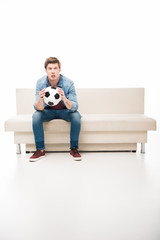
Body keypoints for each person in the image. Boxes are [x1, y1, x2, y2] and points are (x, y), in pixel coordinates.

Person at [30, 57, 82, 161]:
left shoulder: (69, 83)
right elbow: (38, 108)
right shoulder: (40, 83)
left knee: (76, 116)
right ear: (46, 70)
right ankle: (40, 150)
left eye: (55, 68)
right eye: (50, 68)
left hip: (65, 111)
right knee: (35, 116)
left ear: (59, 70)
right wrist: (41, 99)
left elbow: (75, 106)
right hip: (48, 112)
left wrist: (64, 98)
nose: (53, 71)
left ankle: (74, 148)